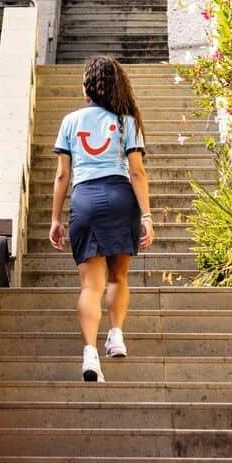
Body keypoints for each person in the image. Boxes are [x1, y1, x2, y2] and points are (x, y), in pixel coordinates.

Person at [48, 55, 154, 381]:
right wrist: (147, 216)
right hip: (122, 198)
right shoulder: (127, 122)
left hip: (85, 200)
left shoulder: (70, 121)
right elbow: (137, 172)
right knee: (118, 278)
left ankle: (90, 354)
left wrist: (55, 219)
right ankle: (117, 335)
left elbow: (62, 176)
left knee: (90, 286)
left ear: (88, 85)